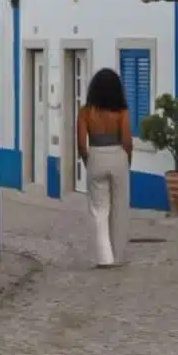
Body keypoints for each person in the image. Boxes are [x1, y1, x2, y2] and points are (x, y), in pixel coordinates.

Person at [77, 67, 132, 267]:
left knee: (99, 210)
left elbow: (81, 144)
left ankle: (104, 257)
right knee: (119, 208)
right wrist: (127, 160)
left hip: (96, 156)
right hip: (118, 156)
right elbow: (127, 140)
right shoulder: (122, 112)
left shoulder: (85, 112)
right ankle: (118, 256)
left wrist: (88, 162)